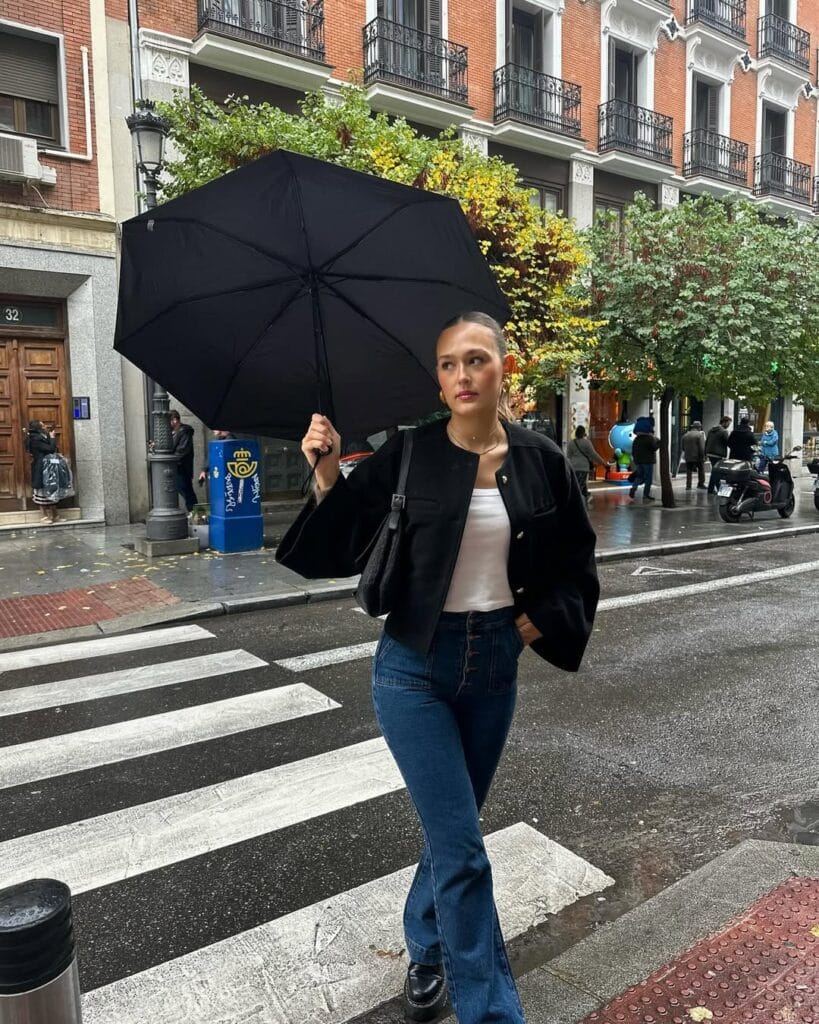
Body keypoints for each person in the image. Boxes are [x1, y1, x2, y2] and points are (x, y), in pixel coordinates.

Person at [276, 311, 599, 1024]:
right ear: (439, 376)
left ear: (502, 369)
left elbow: (575, 559)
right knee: (463, 850)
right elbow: (345, 542)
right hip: (412, 670)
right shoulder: (411, 453)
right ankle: (490, 1011)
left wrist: (534, 621)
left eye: (475, 360)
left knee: (453, 833)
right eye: (449, 363)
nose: (461, 375)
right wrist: (327, 470)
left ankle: (425, 945)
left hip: (494, 668)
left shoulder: (542, 458)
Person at [25, 420, 59, 523]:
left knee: (52, 488)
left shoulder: (43, 435)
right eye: (42, 425)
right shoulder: (34, 438)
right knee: (41, 491)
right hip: (41, 467)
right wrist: (52, 438)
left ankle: (55, 515)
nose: (45, 426)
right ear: (38, 427)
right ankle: (43, 515)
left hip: (49, 466)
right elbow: (50, 449)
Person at [566, 425, 611, 503]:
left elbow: (568, 456)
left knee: (578, 483)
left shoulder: (571, 443)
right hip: (583, 467)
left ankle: (586, 496)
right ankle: (576, 502)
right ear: (583, 433)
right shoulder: (586, 443)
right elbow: (594, 455)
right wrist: (603, 463)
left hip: (573, 467)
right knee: (579, 485)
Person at [169, 410, 197, 513]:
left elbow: (182, 450)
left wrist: (170, 459)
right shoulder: (173, 433)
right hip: (176, 467)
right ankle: (195, 513)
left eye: (169, 421)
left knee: (187, 492)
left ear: (175, 420)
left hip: (182, 468)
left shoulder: (184, 431)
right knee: (186, 492)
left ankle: (196, 514)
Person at [629, 417, 660, 502]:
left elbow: (633, 451)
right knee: (648, 479)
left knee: (639, 476)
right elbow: (654, 448)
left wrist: (635, 460)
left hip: (638, 461)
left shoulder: (636, 439)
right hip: (648, 461)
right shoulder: (649, 438)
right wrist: (658, 444)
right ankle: (646, 495)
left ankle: (634, 487)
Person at [705, 416, 732, 494]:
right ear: (724, 422)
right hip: (718, 454)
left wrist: (705, 452)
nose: (728, 425)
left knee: (715, 471)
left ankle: (711, 490)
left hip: (710, 453)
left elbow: (707, 441)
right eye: (728, 423)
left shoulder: (711, 430)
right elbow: (728, 442)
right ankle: (721, 490)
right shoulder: (724, 431)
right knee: (718, 472)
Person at [681, 421, 707, 490]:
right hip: (698, 457)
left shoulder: (685, 435)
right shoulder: (699, 435)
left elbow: (683, 447)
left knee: (689, 471)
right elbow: (701, 448)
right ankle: (701, 484)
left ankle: (688, 486)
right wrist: (703, 456)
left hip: (688, 456)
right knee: (701, 470)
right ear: (699, 427)